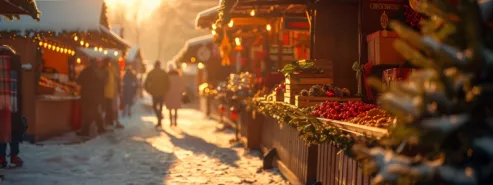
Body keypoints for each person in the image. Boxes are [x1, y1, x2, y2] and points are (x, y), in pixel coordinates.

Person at [76, 59, 106, 136]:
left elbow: (78, 81)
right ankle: (101, 128)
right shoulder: (99, 72)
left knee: (87, 113)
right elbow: (103, 84)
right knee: (96, 112)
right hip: (96, 96)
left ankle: (85, 131)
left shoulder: (85, 71)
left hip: (87, 95)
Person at [144, 60, 170, 127]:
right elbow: (168, 83)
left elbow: (146, 83)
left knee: (154, 107)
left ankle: (159, 119)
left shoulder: (151, 73)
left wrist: (148, 90)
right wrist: (166, 90)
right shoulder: (164, 73)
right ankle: (160, 118)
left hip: (154, 92)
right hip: (162, 93)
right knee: (160, 107)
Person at [101, 58, 123, 129]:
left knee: (110, 108)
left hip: (109, 93)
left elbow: (105, 82)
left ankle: (110, 122)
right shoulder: (111, 71)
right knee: (110, 108)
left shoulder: (109, 71)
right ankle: (111, 122)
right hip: (110, 93)